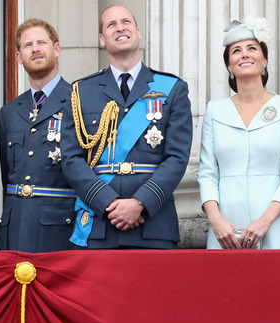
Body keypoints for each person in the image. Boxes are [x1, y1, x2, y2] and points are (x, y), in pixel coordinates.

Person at [60, 5, 193, 249]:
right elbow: (71, 159)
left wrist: (140, 202)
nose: (120, 28)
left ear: (138, 32)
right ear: (102, 39)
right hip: (101, 223)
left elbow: (177, 158)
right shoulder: (80, 92)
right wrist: (108, 202)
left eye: (126, 22)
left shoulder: (172, 88)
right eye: (111, 24)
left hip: (153, 224)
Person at [198, 17, 280, 249]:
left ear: (264, 60)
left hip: (273, 224)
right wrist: (217, 221)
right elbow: (206, 173)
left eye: (252, 48)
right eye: (236, 50)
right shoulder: (215, 110)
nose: (244, 54)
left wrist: (265, 222)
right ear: (229, 65)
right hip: (224, 228)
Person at [0, 19, 75, 252]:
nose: (36, 48)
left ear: (57, 49)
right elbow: (6, 177)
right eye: (28, 45)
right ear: (19, 57)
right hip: (15, 228)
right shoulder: (9, 112)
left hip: (60, 229)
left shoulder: (78, 101)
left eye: (42, 42)